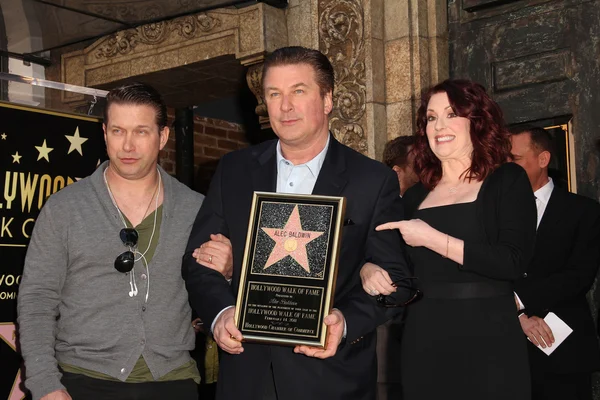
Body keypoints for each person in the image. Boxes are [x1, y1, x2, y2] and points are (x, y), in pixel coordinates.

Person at [182, 46, 413, 400]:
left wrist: (345, 322)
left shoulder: (372, 180)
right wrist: (221, 313)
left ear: (327, 100)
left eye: (298, 91)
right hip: (247, 375)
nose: (284, 106)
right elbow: (198, 262)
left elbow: (394, 278)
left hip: (332, 378)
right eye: (274, 94)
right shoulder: (234, 170)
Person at [17, 83, 226, 400]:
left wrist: (230, 269)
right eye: (118, 131)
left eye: (141, 132)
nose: (128, 145)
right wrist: (46, 384)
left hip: (172, 383)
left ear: (163, 136)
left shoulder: (196, 209)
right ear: (104, 133)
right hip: (83, 382)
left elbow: (216, 291)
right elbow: (36, 302)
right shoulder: (64, 208)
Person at [360, 79, 537, 400]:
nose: (439, 125)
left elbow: (513, 261)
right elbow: (402, 273)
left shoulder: (506, 180)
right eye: (431, 117)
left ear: (477, 121)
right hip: (422, 338)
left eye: (451, 114)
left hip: (490, 337)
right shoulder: (414, 196)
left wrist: (433, 238)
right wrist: (369, 270)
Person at [510, 126, 600, 400]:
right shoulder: (495, 212)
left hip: (563, 350)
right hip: (507, 349)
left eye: (514, 159)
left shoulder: (584, 211)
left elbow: (579, 276)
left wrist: (519, 300)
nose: (506, 166)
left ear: (543, 159)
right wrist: (517, 316)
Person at [377, 135, 418, 400]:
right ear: (397, 171)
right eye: (419, 161)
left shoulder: (429, 204)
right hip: (385, 318)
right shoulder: (375, 207)